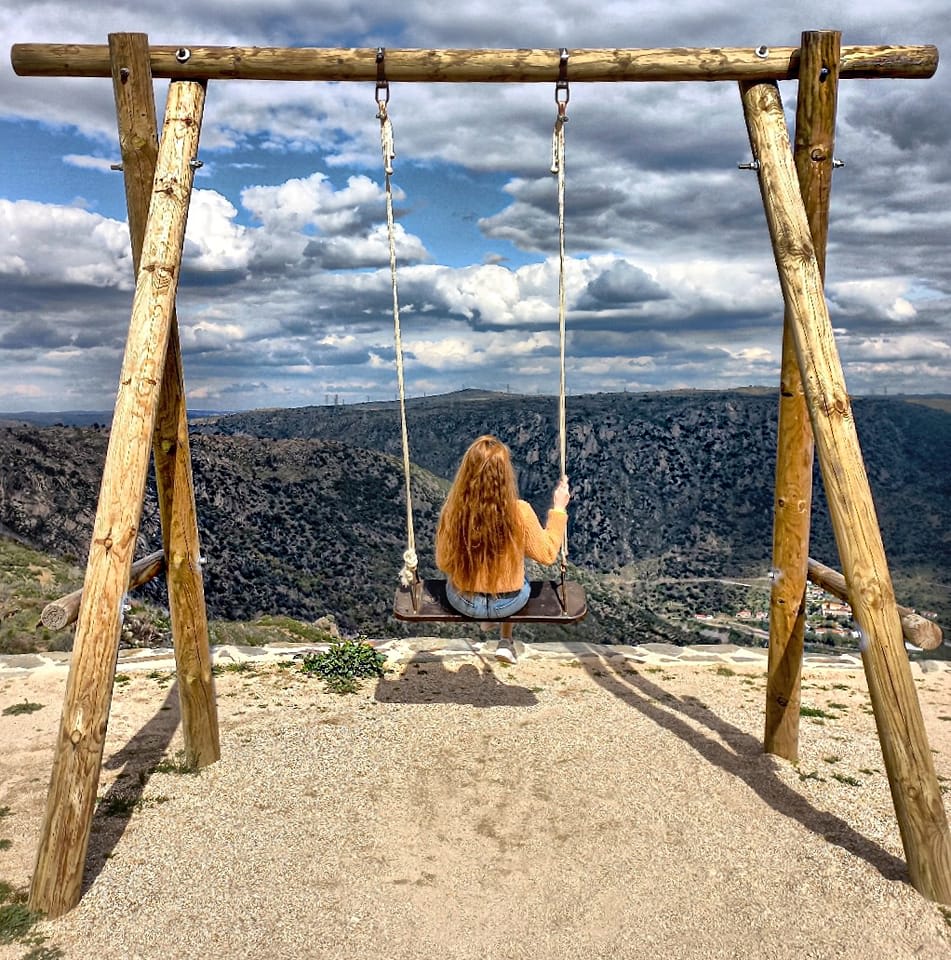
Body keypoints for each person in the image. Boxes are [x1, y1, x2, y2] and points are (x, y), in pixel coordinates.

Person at [435, 434, 571, 663]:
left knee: (469, 575)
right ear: (505, 474)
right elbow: (548, 555)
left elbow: (444, 562)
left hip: (465, 602)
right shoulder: (520, 511)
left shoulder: (454, 511)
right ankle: (505, 641)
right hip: (508, 603)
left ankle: (487, 616)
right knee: (519, 575)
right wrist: (558, 509)